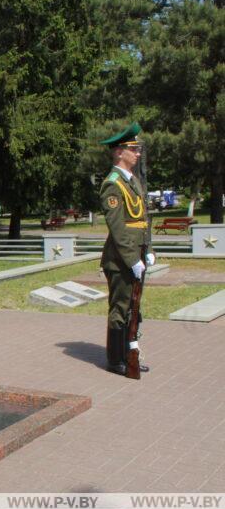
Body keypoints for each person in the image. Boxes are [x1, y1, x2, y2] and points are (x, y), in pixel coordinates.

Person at [98, 122, 154, 376]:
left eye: (138, 148)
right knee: (121, 308)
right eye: (134, 148)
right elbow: (118, 228)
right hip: (121, 259)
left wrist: (148, 249)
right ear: (120, 152)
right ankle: (116, 360)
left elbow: (144, 220)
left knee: (135, 307)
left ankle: (132, 353)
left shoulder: (134, 181)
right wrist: (132, 259)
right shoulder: (113, 184)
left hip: (137, 254)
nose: (138, 153)